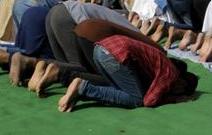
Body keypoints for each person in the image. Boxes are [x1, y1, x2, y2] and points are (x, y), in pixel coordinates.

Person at [58, 22, 200, 112]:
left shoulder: (163, 64)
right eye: (180, 90)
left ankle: (81, 94)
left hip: (100, 47)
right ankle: (84, 88)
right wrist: (173, 99)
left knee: (121, 90)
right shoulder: (170, 73)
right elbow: (149, 101)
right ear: (182, 83)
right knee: (137, 100)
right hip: (114, 53)